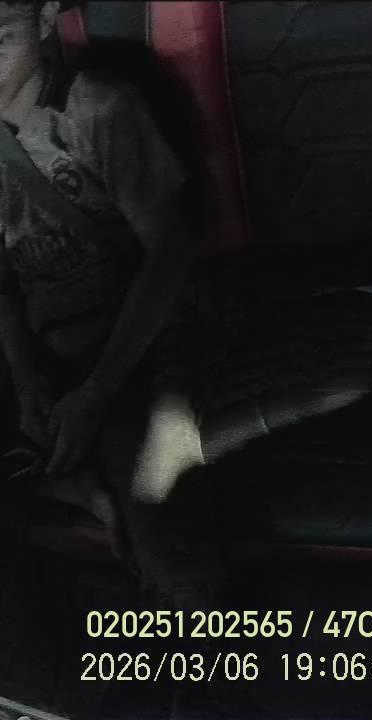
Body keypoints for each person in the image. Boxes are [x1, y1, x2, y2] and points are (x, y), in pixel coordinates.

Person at [0, 0, 214, 605]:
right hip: (48, 339)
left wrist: (95, 392)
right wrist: (28, 381)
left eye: (0, 37)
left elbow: (169, 254)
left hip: (139, 335)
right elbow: (3, 288)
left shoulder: (98, 108)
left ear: (45, 21)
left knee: (159, 512)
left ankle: (201, 640)